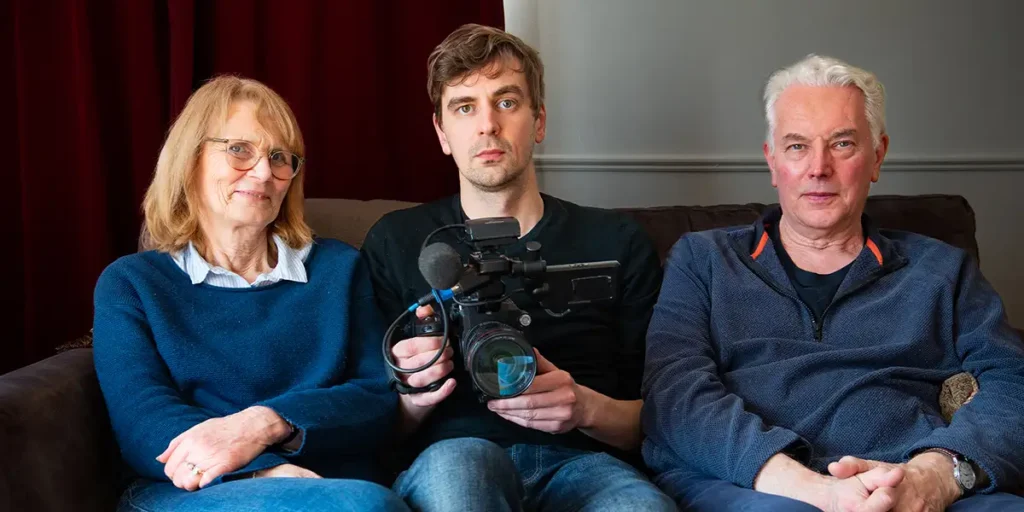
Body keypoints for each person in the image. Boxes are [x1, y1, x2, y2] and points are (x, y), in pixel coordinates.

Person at [642, 54, 1024, 511]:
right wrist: (814, 489)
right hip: (752, 483)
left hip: (904, 480)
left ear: (877, 156)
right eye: (797, 146)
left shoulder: (941, 270)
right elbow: (675, 394)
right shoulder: (703, 261)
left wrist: (936, 475)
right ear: (772, 160)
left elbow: (1014, 381)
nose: (818, 167)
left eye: (842, 144)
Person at [361, 24, 676, 512]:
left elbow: (660, 421)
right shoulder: (397, 240)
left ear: (539, 121)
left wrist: (585, 408)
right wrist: (414, 393)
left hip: (583, 462)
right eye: (465, 107)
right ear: (442, 134)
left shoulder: (615, 241)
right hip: (454, 456)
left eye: (506, 102)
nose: (488, 124)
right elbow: (370, 419)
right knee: (458, 480)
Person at [92, 76, 409, 512]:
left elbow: (376, 397)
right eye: (239, 149)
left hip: (337, 480)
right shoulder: (132, 283)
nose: (263, 173)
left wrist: (265, 423)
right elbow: (141, 418)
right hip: (193, 489)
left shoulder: (339, 268)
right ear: (191, 160)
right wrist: (261, 470)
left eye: (280, 157)